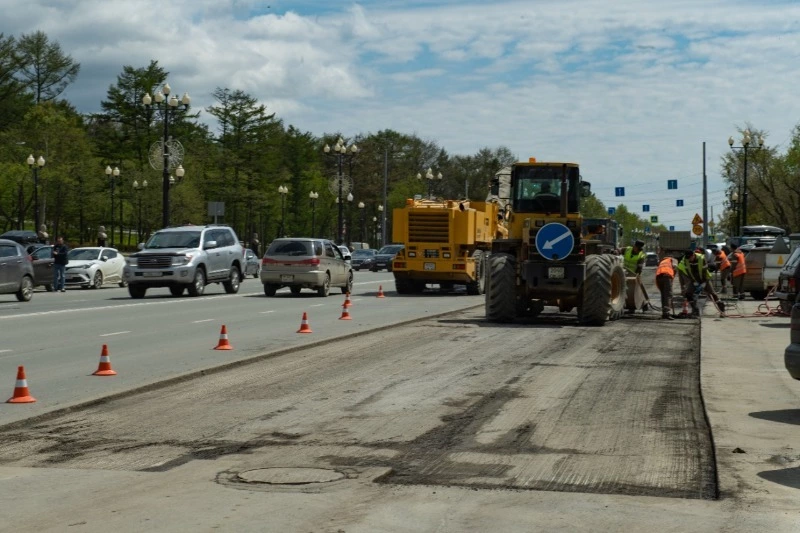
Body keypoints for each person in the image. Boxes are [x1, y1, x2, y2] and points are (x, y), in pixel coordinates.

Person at [679, 250, 724, 317]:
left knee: (712, 294)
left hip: (704, 279)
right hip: (694, 279)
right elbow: (688, 272)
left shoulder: (701, 259)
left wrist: (704, 282)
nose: (689, 259)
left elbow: (704, 271)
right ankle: (695, 310)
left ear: (693, 255)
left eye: (690, 258)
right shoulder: (686, 260)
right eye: (688, 258)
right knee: (688, 294)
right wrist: (693, 281)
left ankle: (722, 310)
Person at [656, 250, 677, 320]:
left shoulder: (662, 261)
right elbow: (675, 267)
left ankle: (664, 313)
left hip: (659, 278)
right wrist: (672, 278)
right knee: (668, 295)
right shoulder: (673, 260)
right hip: (667, 277)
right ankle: (667, 313)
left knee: (663, 295)